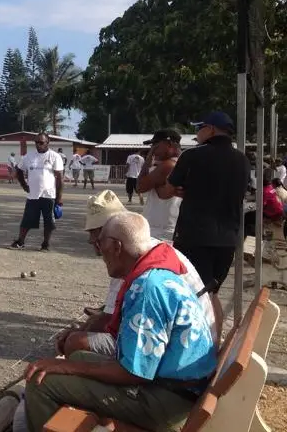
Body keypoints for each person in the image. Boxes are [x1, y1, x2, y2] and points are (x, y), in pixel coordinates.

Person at [21, 211, 217, 432]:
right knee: (77, 356)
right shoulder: (160, 273)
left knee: (41, 383)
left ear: (116, 246)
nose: (99, 251)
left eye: (99, 243)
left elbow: (133, 372)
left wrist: (67, 367)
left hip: (166, 403)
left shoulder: (147, 289)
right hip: (180, 389)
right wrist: (71, 364)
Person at [55, 190, 216, 359]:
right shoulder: (145, 249)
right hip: (195, 347)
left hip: (181, 356)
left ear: (115, 241)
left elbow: (110, 325)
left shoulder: (134, 266)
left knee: (76, 343)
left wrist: (74, 338)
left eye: (98, 240)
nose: (95, 247)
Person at [165, 111, 250, 330]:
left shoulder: (193, 155)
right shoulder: (242, 159)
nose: (197, 133)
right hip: (227, 239)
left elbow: (172, 185)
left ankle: (206, 352)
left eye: (199, 128)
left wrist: (188, 191)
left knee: (198, 296)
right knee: (211, 293)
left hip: (195, 236)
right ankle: (214, 344)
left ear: (211, 129)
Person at [11, 133, 64, 251]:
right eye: (36, 142)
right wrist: (24, 185)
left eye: (41, 142)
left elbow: (60, 179)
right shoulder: (28, 157)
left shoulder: (54, 156)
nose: (38, 145)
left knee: (49, 222)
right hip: (33, 195)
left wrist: (59, 197)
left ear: (47, 143)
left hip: (49, 195)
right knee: (26, 221)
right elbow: (19, 171)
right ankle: (20, 241)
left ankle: (45, 244)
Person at [137, 129, 183, 241]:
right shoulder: (181, 163)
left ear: (169, 144)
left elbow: (140, 187)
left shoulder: (169, 165)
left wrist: (148, 159)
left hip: (162, 230)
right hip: (167, 226)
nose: (152, 149)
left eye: (155, 145)